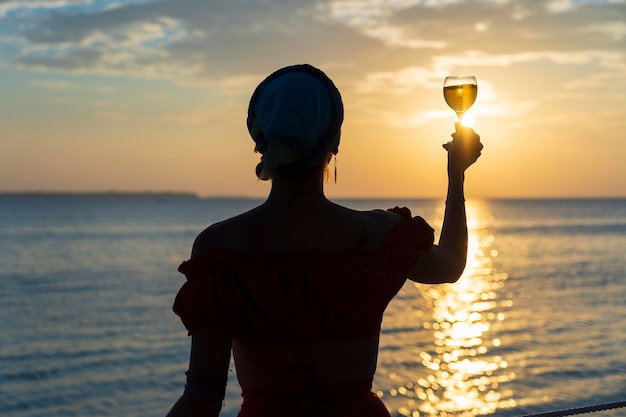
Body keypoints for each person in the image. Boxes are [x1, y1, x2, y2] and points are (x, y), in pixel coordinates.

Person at [165, 63, 483, 417]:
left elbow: (202, 398)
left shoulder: (221, 250)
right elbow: (451, 265)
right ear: (334, 141)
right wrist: (457, 175)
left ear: (260, 140)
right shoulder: (379, 236)